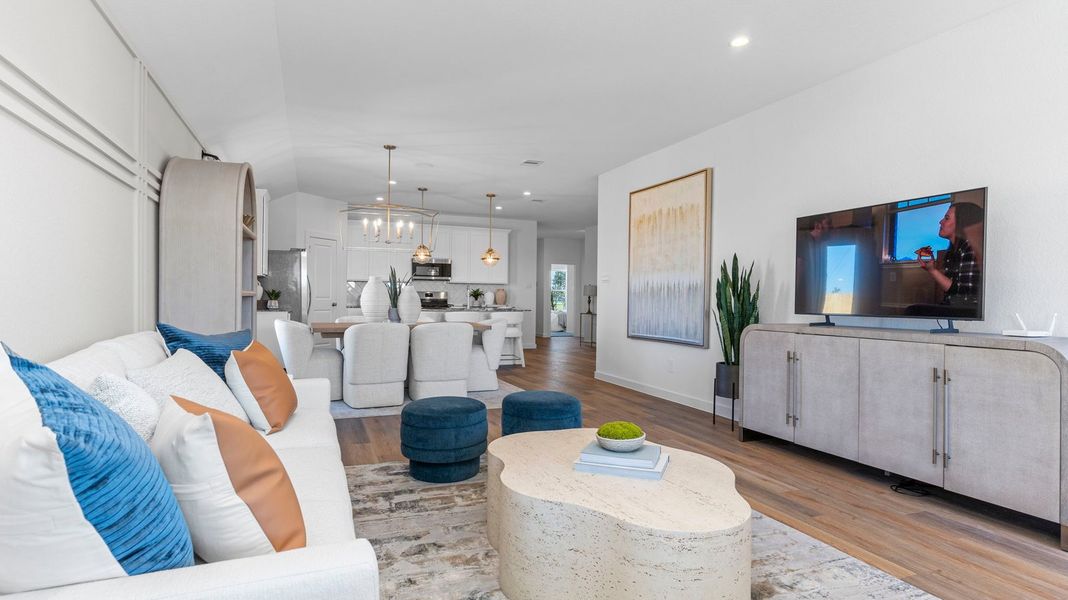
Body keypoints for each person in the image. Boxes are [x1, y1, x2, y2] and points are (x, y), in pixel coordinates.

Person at [917, 202, 983, 306]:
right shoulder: (951, 252)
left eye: (947, 218)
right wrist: (932, 270)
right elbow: (951, 291)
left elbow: (964, 292)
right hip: (952, 306)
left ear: (961, 223)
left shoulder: (971, 248)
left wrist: (933, 271)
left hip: (966, 308)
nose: (940, 222)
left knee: (915, 310)